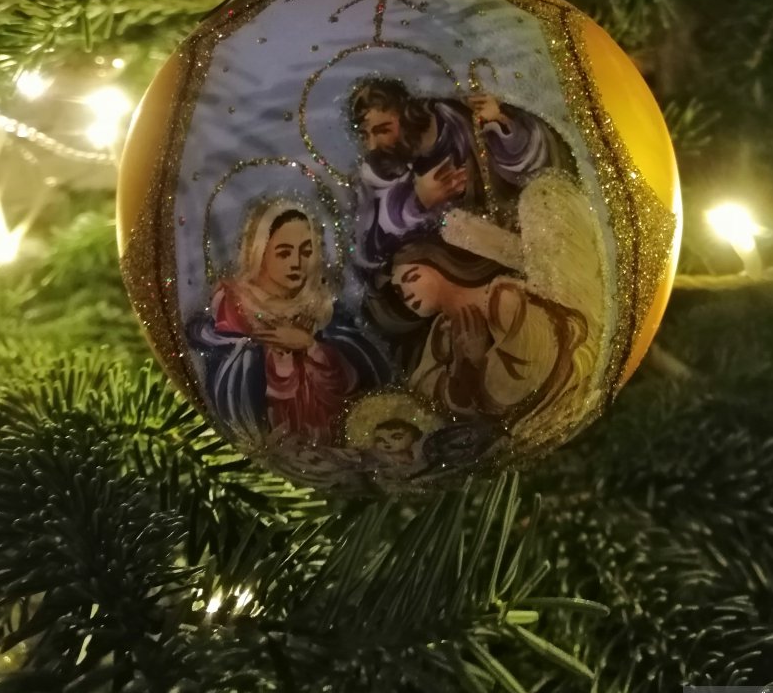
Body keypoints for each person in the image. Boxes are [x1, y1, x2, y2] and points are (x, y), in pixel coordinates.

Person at [187, 201, 385, 444]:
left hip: (330, 439)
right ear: (259, 252)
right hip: (269, 439)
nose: (296, 263)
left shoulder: (322, 307)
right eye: (284, 253)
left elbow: (358, 375)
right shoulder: (235, 306)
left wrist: (311, 346)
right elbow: (230, 374)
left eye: (306, 252)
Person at [349, 78, 575, 270]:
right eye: (364, 135)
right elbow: (370, 246)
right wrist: (417, 203)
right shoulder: (376, 168)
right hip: (445, 266)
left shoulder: (455, 121)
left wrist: (500, 122)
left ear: (407, 112)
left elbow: (536, 161)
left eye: (383, 130)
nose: (372, 146)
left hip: (510, 237)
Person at [384, 239, 590, 422]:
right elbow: (424, 394)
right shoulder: (442, 328)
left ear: (441, 266)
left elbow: (522, 383)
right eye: (398, 291)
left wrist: (476, 361)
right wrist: (461, 365)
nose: (406, 295)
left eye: (412, 278)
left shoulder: (505, 300)